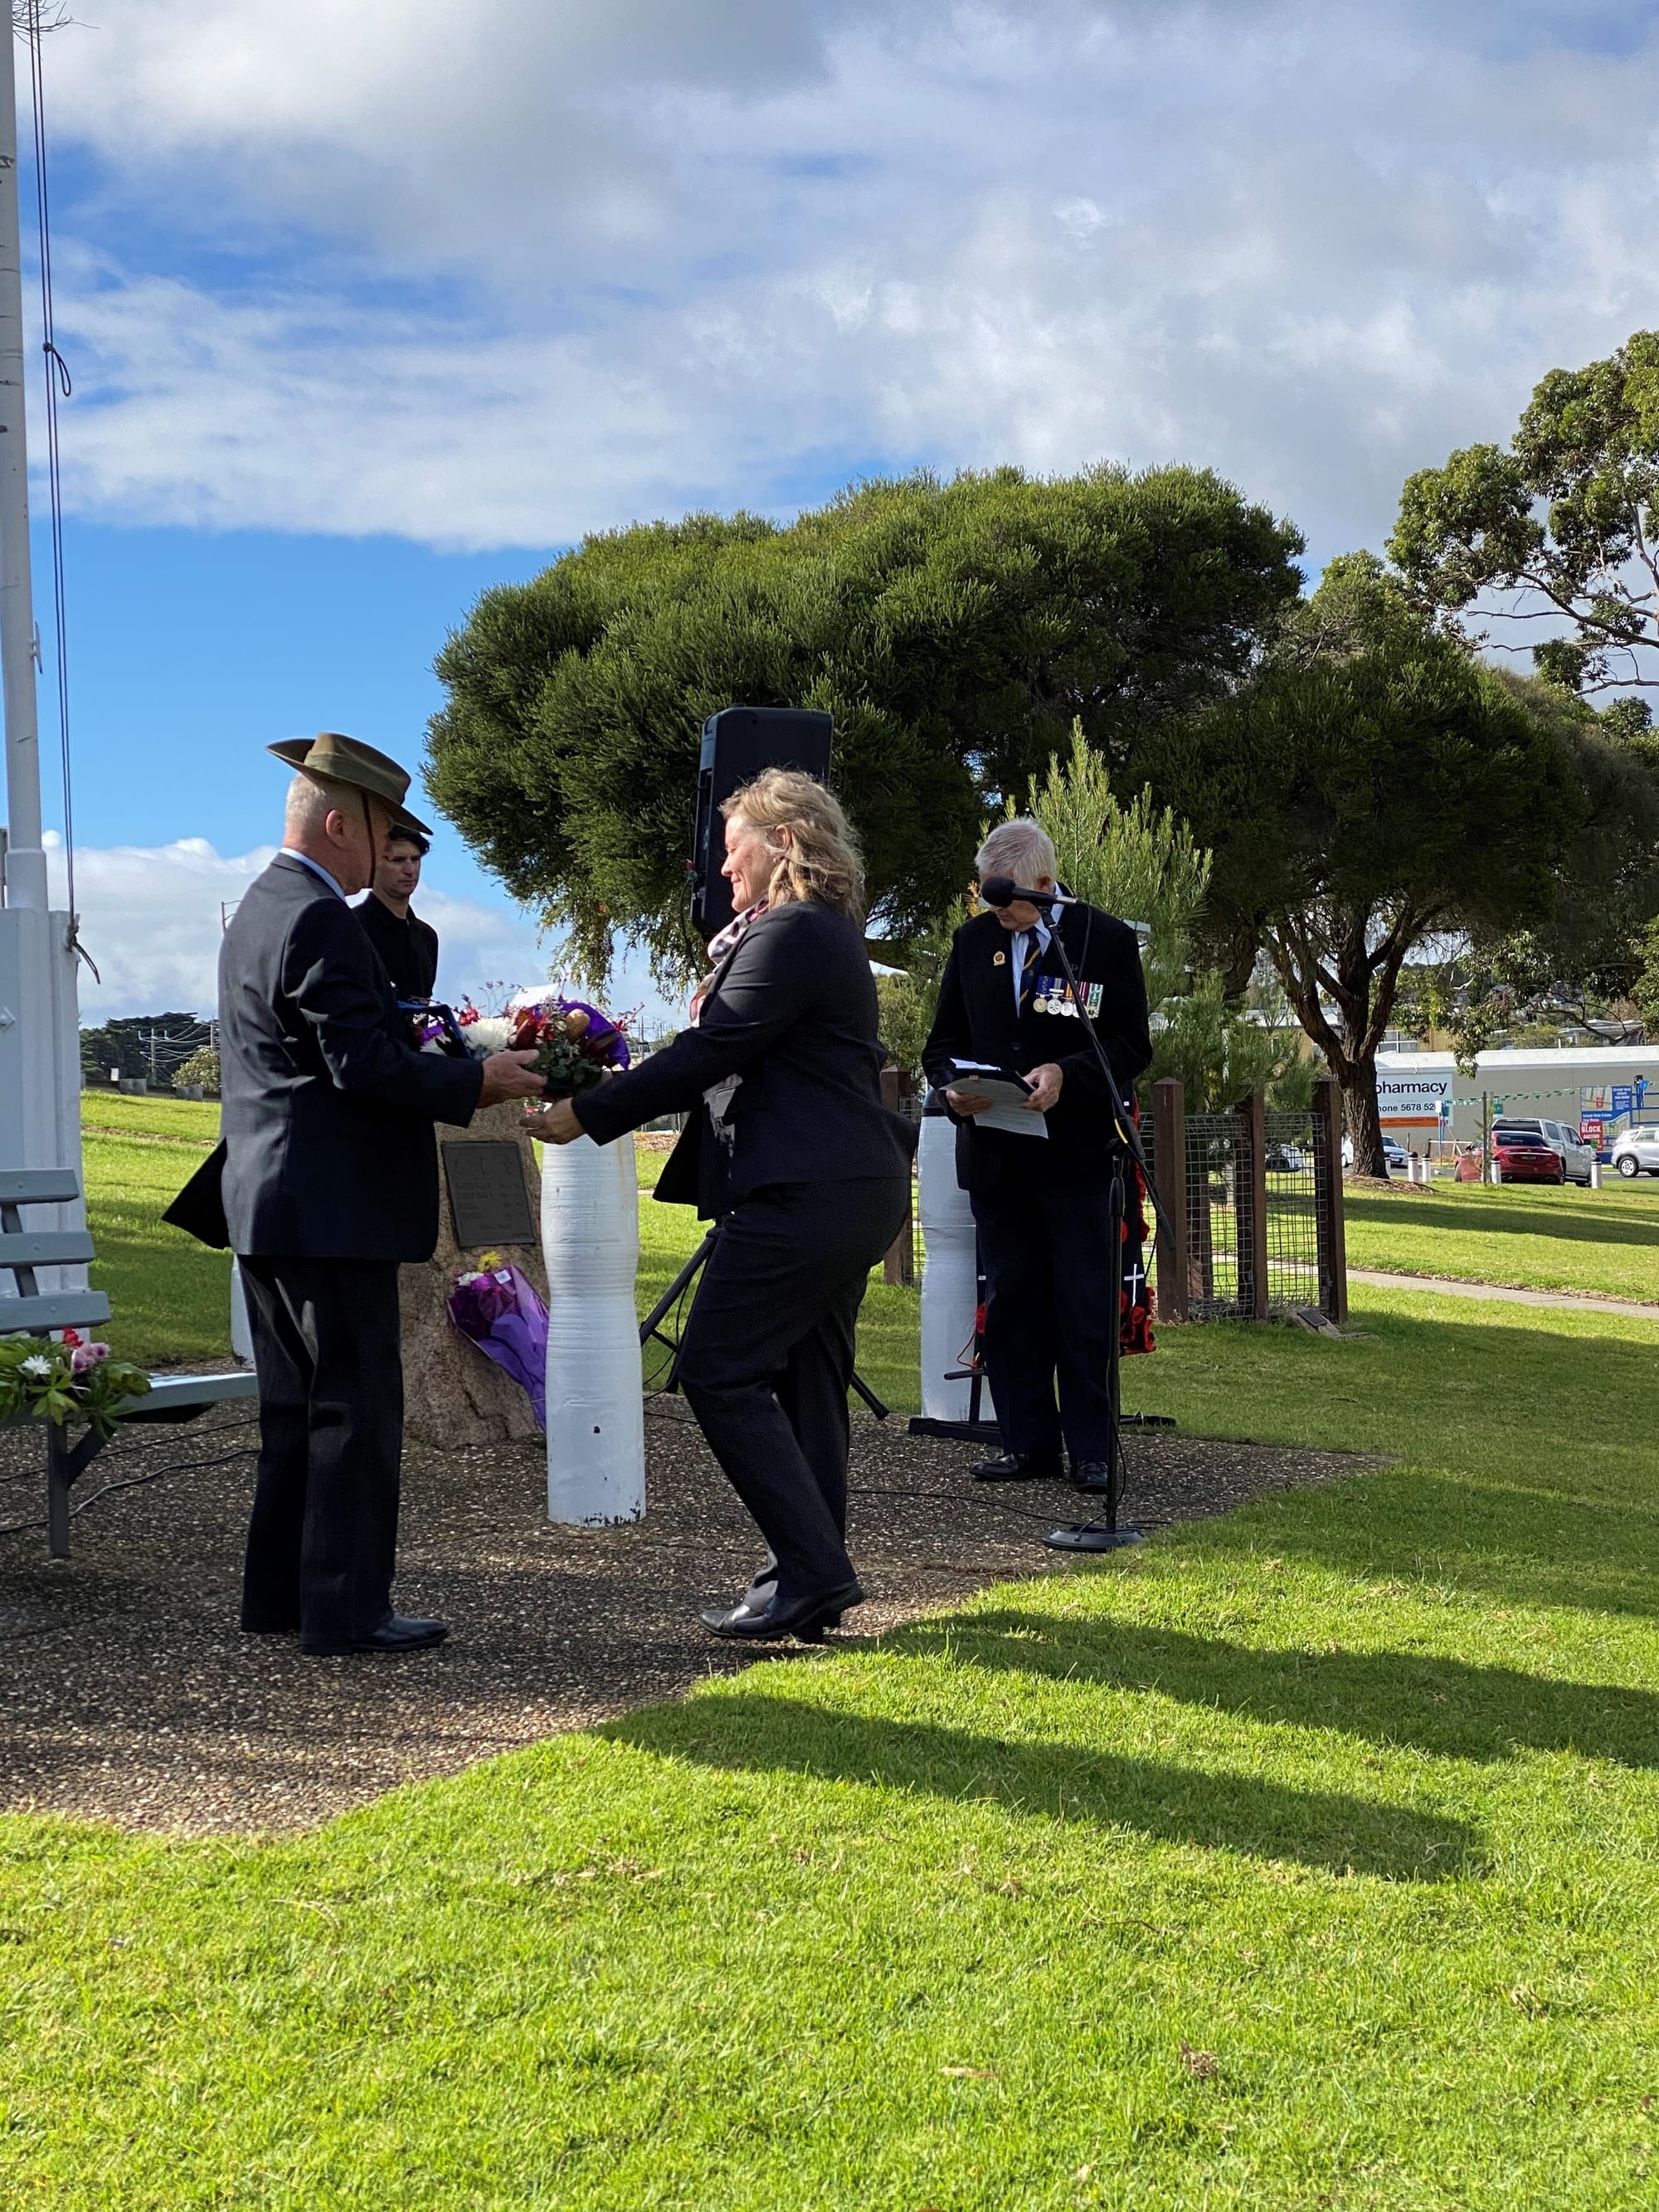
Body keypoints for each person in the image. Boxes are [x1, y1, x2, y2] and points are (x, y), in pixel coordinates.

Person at [527, 769, 915, 1644]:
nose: (721, 869)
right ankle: (806, 1570)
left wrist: (586, 1112)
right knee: (809, 1382)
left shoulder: (793, 933)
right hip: (849, 1186)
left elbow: (713, 1046)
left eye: (732, 847)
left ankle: (814, 1568)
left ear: (782, 843)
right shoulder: (815, 933)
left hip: (809, 1191)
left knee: (713, 1368)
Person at [187, 733, 545, 1656]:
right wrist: (480, 1084)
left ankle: (280, 1597)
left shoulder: (259, 910)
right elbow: (359, 1066)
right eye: (382, 830)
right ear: (342, 824)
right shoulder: (319, 919)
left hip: (266, 1201)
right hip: (331, 1206)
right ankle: (345, 1610)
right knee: (352, 1407)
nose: (384, 852)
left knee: (293, 1412)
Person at [922, 816, 1151, 1490]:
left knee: (1081, 1307)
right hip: (997, 1156)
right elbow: (941, 1044)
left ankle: (1091, 1451)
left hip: (1074, 1159)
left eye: (1010, 898)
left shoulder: (1101, 941)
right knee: (1013, 1305)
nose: (999, 912)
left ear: (1046, 885)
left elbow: (1132, 1047)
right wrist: (952, 1087)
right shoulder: (972, 943)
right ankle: (1027, 1442)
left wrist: (1066, 1075)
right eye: (989, 898)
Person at [355, 824, 440, 1004]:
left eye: (415, 859)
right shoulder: (352, 927)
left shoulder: (427, 936)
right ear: (373, 864)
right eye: (397, 860)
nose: (410, 870)